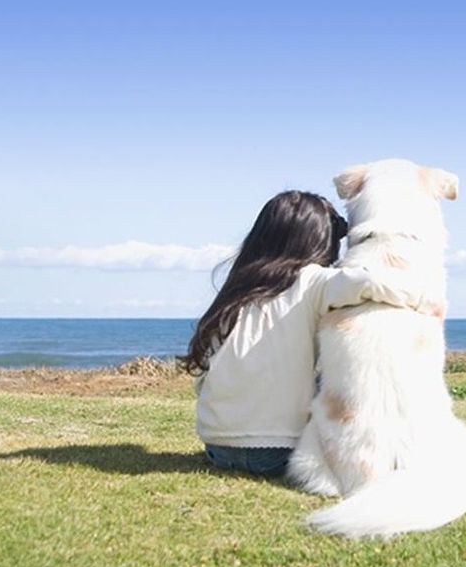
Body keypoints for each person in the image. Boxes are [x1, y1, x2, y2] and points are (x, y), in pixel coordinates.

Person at [183, 190, 429, 477]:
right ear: (321, 239)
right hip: (277, 452)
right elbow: (370, 281)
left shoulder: (237, 289)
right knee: (348, 367)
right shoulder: (313, 281)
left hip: (218, 448)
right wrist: (424, 299)